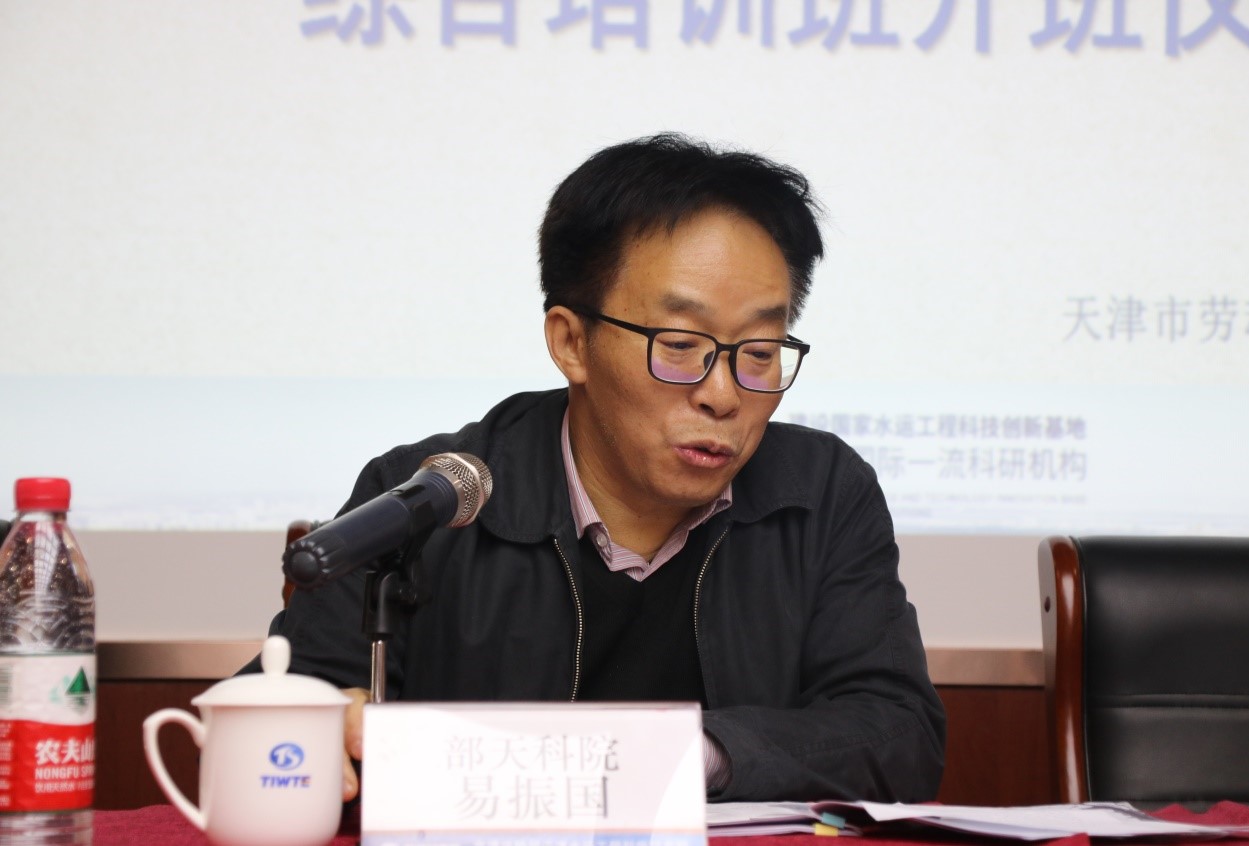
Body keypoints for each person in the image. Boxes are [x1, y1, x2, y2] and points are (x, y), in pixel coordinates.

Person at [248, 133, 945, 803]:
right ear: (571, 342)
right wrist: (317, 728)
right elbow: (280, 705)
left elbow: (898, 734)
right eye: (680, 345)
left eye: (759, 353)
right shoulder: (428, 499)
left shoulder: (821, 492)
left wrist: (687, 756)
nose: (723, 395)